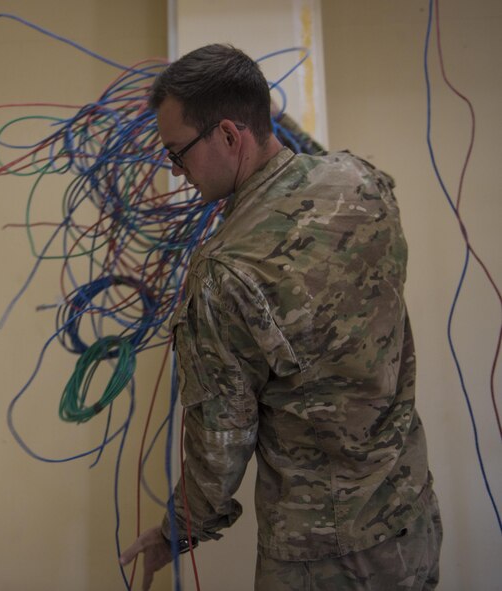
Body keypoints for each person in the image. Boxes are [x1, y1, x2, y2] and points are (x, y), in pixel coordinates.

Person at [120, 44, 442, 590]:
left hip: (322, 559)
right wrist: (273, 119)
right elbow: (317, 167)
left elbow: (221, 445)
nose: (175, 171)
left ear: (229, 135)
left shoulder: (226, 270)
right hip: (412, 521)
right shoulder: (361, 183)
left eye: (177, 153)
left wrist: (176, 531)